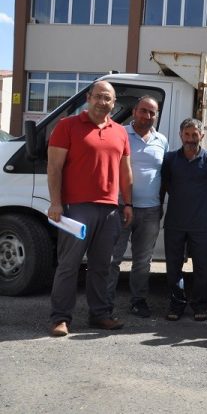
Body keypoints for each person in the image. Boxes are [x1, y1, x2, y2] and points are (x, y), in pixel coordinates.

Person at [47, 80, 133, 336]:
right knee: (69, 265)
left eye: (107, 98)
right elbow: (54, 168)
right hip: (76, 209)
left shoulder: (120, 132)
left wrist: (127, 203)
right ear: (88, 97)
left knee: (101, 266)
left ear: (113, 103)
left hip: (109, 210)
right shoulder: (67, 126)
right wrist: (55, 202)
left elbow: (125, 172)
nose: (102, 102)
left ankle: (100, 315)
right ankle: (60, 318)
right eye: (98, 96)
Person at [107, 95, 168, 318]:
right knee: (113, 258)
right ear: (134, 111)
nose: (147, 116)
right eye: (143, 111)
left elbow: (162, 175)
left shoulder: (161, 140)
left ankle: (138, 301)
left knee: (143, 261)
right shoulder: (119, 133)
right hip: (121, 207)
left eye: (152, 112)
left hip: (150, 210)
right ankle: (105, 303)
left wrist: (160, 203)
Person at [162, 118, 207, 321]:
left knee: (202, 267)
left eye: (195, 135)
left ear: (201, 136)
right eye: (187, 134)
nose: (190, 139)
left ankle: (199, 305)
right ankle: (176, 305)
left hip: (201, 224)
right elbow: (167, 185)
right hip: (175, 222)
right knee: (173, 266)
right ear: (180, 135)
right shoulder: (170, 160)